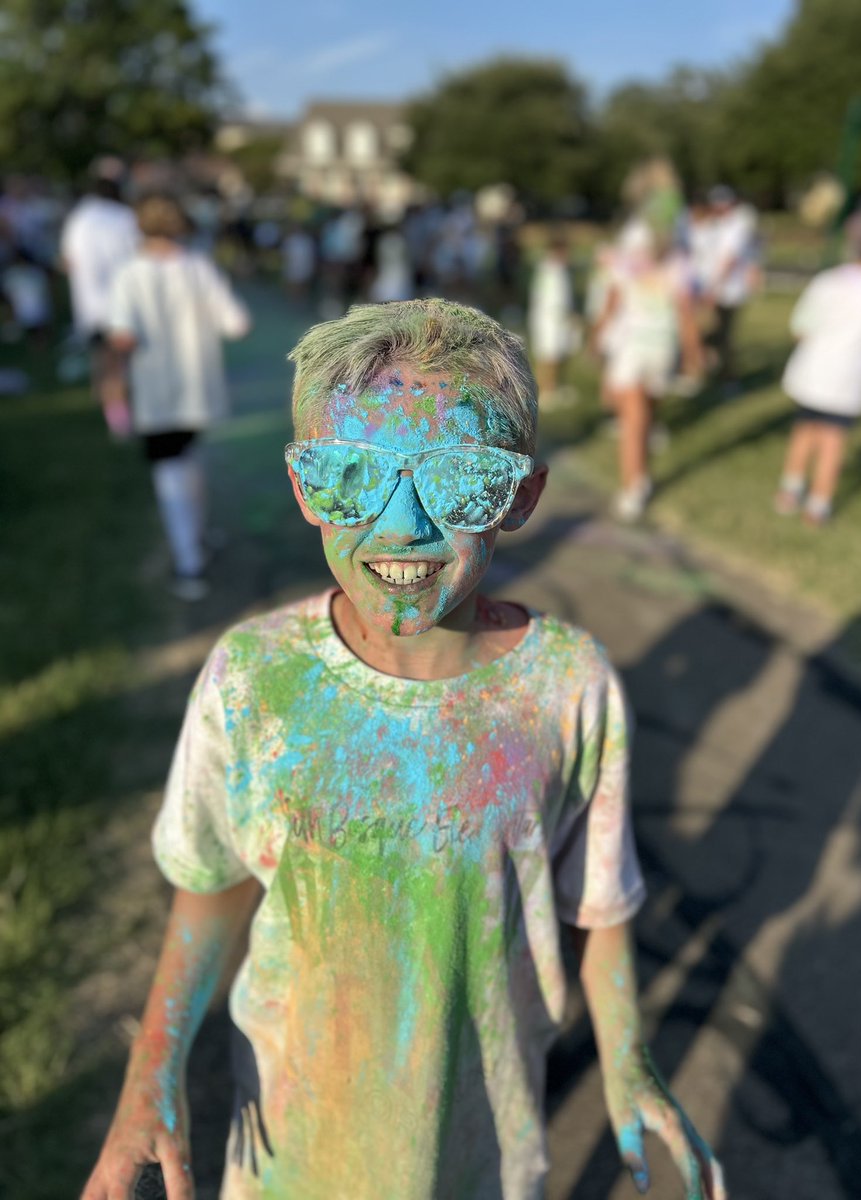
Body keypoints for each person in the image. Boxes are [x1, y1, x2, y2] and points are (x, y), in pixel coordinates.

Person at [81, 299, 726, 1200]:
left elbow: (600, 904)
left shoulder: (568, 687)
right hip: (289, 1152)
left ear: (521, 497)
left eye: (460, 480)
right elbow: (211, 884)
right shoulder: (252, 678)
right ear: (307, 488)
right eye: (353, 476)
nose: (405, 526)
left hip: (485, 1148)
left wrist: (625, 1059)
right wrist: (149, 1077)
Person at [105, 193, 251, 599]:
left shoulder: (128, 274)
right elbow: (237, 323)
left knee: (169, 471)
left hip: (155, 391)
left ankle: (188, 560)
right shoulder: (198, 267)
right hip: (197, 386)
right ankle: (198, 537)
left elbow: (122, 336)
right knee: (190, 459)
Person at [774, 209, 861, 526]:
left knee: (804, 430)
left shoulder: (828, 281)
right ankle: (818, 505)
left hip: (812, 370)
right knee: (833, 440)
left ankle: (790, 490)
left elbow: (800, 328)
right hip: (849, 376)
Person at [598, 225, 702, 521]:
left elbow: (612, 303)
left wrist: (598, 335)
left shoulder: (626, 261)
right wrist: (693, 353)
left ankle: (634, 487)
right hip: (662, 348)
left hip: (634, 347)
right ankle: (640, 474)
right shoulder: (679, 265)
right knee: (644, 413)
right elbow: (686, 314)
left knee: (633, 420)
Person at [60, 159, 139, 427]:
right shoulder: (125, 217)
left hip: (90, 305)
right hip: (122, 304)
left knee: (103, 361)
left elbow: (67, 261)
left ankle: (112, 409)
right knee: (120, 364)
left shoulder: (78, 219)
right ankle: (120, 417)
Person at [704, 187, 759, 388]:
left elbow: (730, 259)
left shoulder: (737, 224)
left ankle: (729, 379)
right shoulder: (721, 225)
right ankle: (715, 370)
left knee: (724, 336)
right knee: (716, 333)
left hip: (730, 290)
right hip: (720, 288)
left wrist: (714, 286)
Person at [527, 235, 575, 407]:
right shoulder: (549, 270)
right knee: (548, 354)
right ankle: (544, 391)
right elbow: (550, 298)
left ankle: (553, 386)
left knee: (558, 352)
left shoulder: (558, 269)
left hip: (557, 318)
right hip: (549, 318)